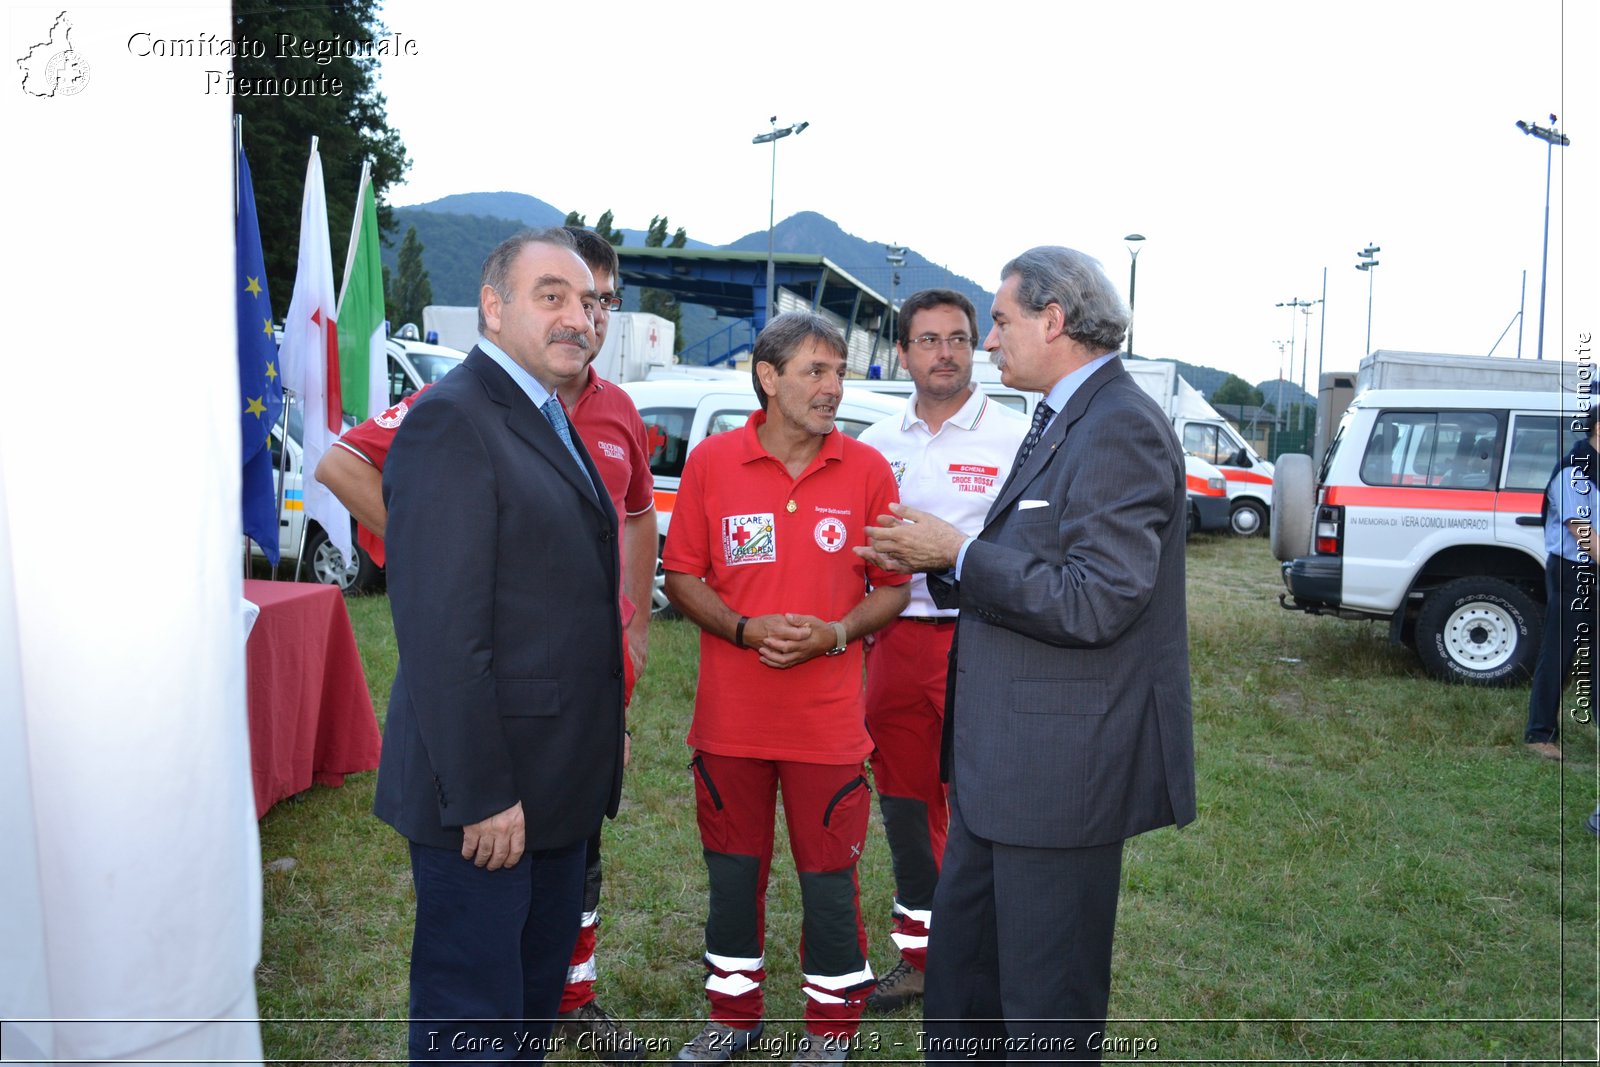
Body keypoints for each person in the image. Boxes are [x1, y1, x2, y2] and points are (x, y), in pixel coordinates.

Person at [317, 229, 654, 1061]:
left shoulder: (548, 411)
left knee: (527, 1013)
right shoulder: (454, 419)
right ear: (494, 309)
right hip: (489, 798)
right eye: (553, 296)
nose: (579, 317)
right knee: (474, 1019)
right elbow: (442, 631)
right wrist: (480, 792)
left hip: (553, 784)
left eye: (591, 301)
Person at [861, 246, 1196, 1062]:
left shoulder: (1119, 425)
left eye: (1001, 322)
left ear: (1054, 320)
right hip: (1002, 766)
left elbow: (1096, 598)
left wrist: (958, 553)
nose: (987, 343)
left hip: (1060, 775)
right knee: (967, 990)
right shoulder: (1064, 414)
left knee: (1046, 1005)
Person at [661, 312, 910, 1065]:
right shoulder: (710, 462)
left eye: (839, 372)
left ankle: (830, 1033)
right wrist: (742, 629)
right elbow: (680, 576)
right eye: (816, 371)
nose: (834, 387)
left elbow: (894, 588)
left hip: (829, 729)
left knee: (831, 884)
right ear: (768, 377)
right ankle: (733, 1020)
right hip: (730, 726)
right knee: (733, 881)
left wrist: (835, 634)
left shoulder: (866, 469)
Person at [853, 289, 1026, 1013]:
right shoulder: (873, 445)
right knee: (903, 799)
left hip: (982, 641)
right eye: (927, 340)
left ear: (977, 345)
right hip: (893, 640)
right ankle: (922, 953)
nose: (945, 352)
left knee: (985, 800)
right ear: (904, 353)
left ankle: (989, 953)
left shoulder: (1017, 436)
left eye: (957, 337)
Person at [1523, 404, 1598, 761]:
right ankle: (1539, 734)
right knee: (1560, 651)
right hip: (1572, 571)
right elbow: (1580, 528)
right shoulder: (1574, 472)